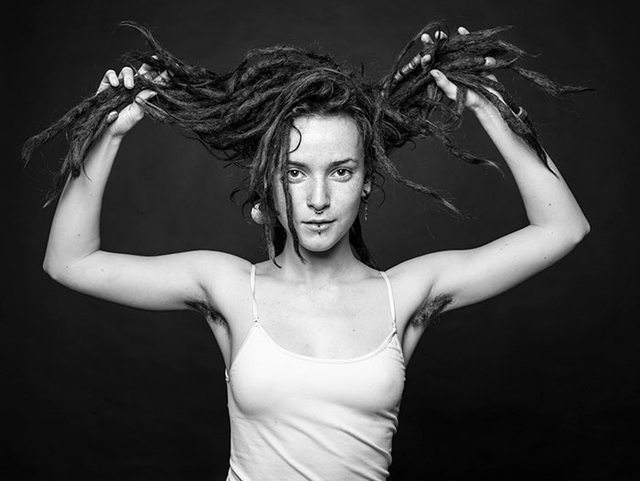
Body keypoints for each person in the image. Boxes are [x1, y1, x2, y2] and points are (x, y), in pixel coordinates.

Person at [32, 22, 589, 481]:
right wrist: (108, 133)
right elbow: (69, 262)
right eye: (295, 172)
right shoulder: (228, 287)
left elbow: (562, 228)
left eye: (340, 171)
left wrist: (489, 109)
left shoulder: (405, 295)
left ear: (367, 181)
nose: (318, 199)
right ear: (268, 181)